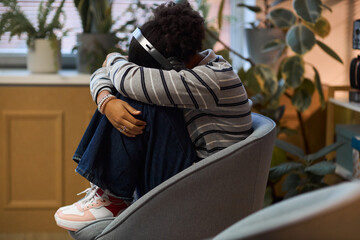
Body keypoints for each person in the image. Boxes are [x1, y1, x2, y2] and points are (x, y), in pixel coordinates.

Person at [54, 1, 252, 232]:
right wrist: (106, 101)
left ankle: (113, 200)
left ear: (174, 65)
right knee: (135, 92)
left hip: (203, 187)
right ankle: (106, 194)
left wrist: (112, 59)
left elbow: (127, 78)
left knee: (140, 96)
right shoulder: (195, 70)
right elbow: (108, 73)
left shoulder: (212, 81)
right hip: (192, 173)